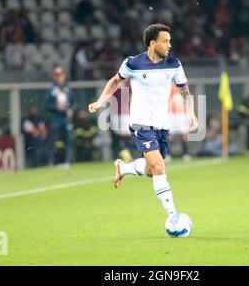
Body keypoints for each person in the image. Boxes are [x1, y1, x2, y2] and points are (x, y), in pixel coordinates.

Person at [88, 24, 198, 217]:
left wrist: (192, 112)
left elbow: (184, 90)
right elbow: (115, 81)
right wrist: (100, 102)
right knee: (159, 167)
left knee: (151, 170)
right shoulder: (133, 63)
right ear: (153, 43)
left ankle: (124, 167)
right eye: (165, 41)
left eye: (170, 41)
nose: (169, 45)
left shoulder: (174, 64)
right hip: (140, 123)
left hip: (162, 126)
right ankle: (173, 216)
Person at [45, 66, 75, 168]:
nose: (59, 77)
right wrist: (55, 107)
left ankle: (67, 161)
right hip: (55, 117)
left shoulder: (68, 87)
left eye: (60, 74)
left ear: (64, 75)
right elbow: (47, 104)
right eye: (57, 75)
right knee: (53, 140)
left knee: (68, 139)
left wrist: (71, 109)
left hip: (65, 117)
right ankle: (51, 162)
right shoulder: (51, 88)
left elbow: (74, 102)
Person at [167, 84, 191, 161]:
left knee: (184, 134)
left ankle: (186, 154)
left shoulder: (183, 82)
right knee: (169, 134)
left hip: (182, 113)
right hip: (171, 113)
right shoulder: (168, 82)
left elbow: (187, 97)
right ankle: (167, 154)